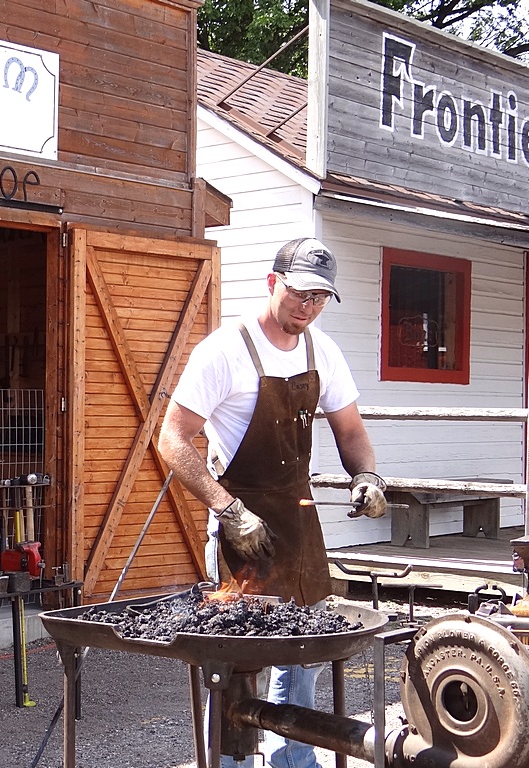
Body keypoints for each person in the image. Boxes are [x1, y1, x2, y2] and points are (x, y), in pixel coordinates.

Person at [156, 237, 387, 768]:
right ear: (272, 283)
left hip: (299, 526)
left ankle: (293, 761)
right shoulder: (224, 350)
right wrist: (228, 510)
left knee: (299, 655)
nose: (307, 308)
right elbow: (172, 438)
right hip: (241, 526)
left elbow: (350, 429)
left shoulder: (322, 352)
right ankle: (230, 762)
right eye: (299, 294)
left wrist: (367, 475)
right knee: (237, 662)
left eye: (319, 299)